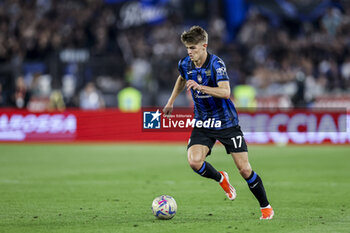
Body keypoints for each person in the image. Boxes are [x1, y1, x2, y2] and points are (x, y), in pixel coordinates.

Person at [163, 26, 274, 220]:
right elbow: (182, 78)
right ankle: (221, 178)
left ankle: (266, 207)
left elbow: (225, 92)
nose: (190, 52)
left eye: (193, 48)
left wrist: (201, 87)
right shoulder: (185, 63)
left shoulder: (216, 64)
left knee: (245, 170)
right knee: (194, 162)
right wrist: (171, 101)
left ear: (204, 46)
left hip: (226, 122)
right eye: (188, 48)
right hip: (203, 121)